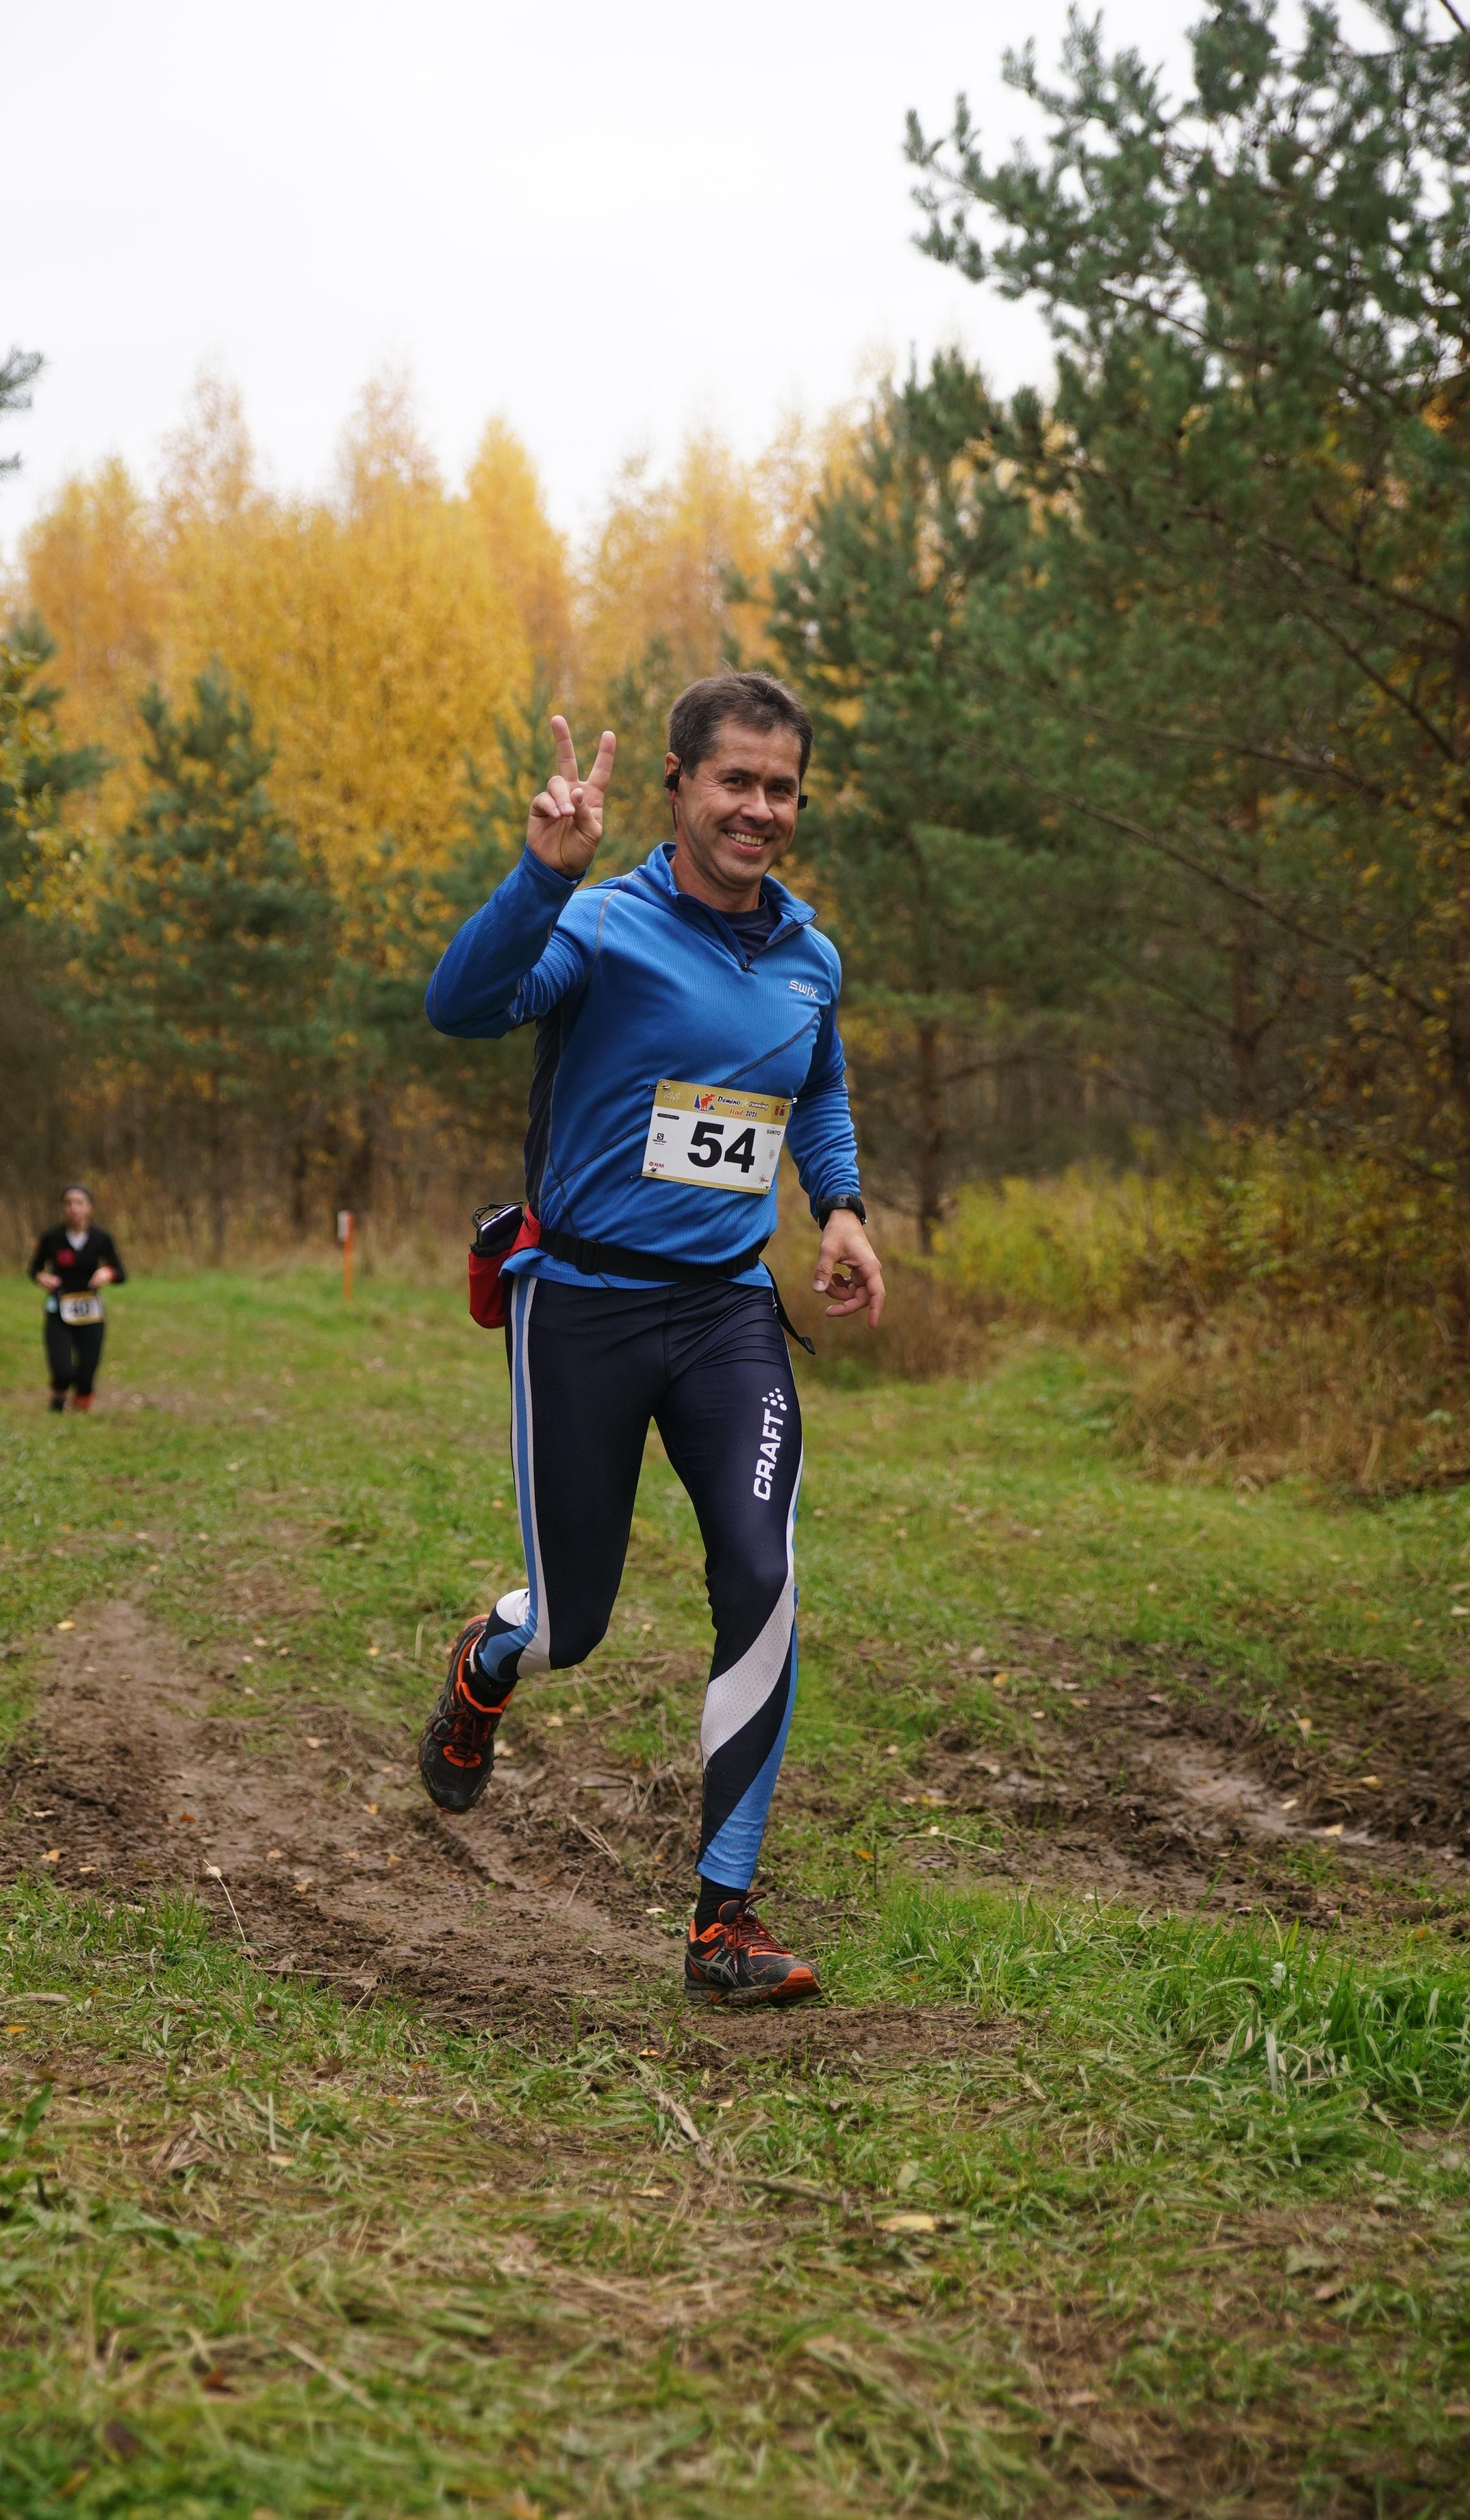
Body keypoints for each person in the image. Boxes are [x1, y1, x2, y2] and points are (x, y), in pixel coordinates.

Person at [417, 672, 884, 2003]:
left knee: (759, 1567)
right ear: (677, 785)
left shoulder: (807, 954)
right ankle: (490, 1658)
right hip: (582, 1309)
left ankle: (721, 1919)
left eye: (780, 786)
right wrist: (531, 875)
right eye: (734, 780)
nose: (759, 808)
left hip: (727, 1315)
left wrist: (838, 1207)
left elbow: (819, 1082)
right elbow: (460, 1006)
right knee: (576, 1622)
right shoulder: (598, 925)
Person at [27, 1186, 126, 1413]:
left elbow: (121, 1272)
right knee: (62, 1370)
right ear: (63, 1208)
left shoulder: (101, 1238)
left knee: (86, 1370)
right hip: (59, 1308)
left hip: (90, 1310)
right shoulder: (52, 1238)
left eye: (80, 1203)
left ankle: (82, 1405)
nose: (74, 1208)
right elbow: (34, 1268)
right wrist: (42, 1277)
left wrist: (107, 1274)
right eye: (69, 1203)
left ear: (89, 1207)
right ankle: (59, 1393)